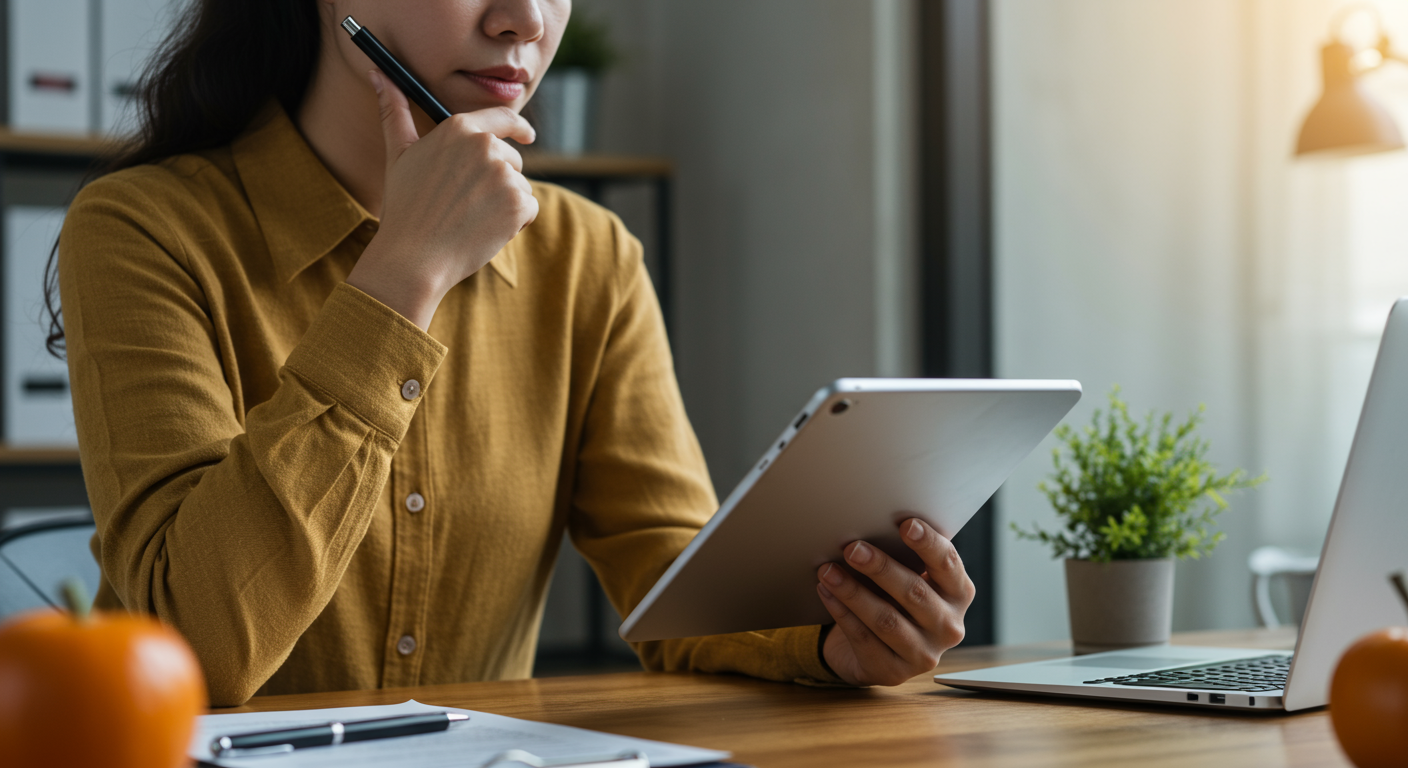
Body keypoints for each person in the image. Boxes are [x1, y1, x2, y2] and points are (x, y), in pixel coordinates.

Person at [49, 0, 974, 707]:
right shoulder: (143, 229)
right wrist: (402, 274)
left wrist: (830, 637)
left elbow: (672, 578)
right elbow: (198, 652)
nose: (525, 19)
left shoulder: (589, 255)